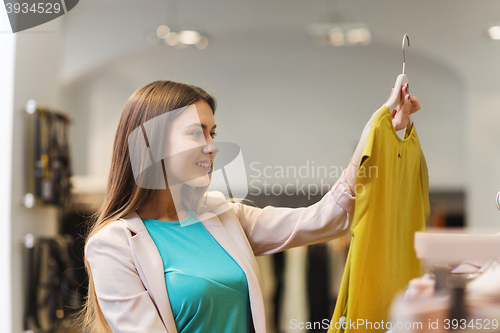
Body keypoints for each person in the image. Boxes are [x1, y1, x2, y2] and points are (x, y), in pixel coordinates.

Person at [76, 80, 420, 333]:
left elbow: (324, 219)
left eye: (213, 133)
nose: (212, 146)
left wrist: (375, 136)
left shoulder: (223, 215)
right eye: (197, 133)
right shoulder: (114, 245)